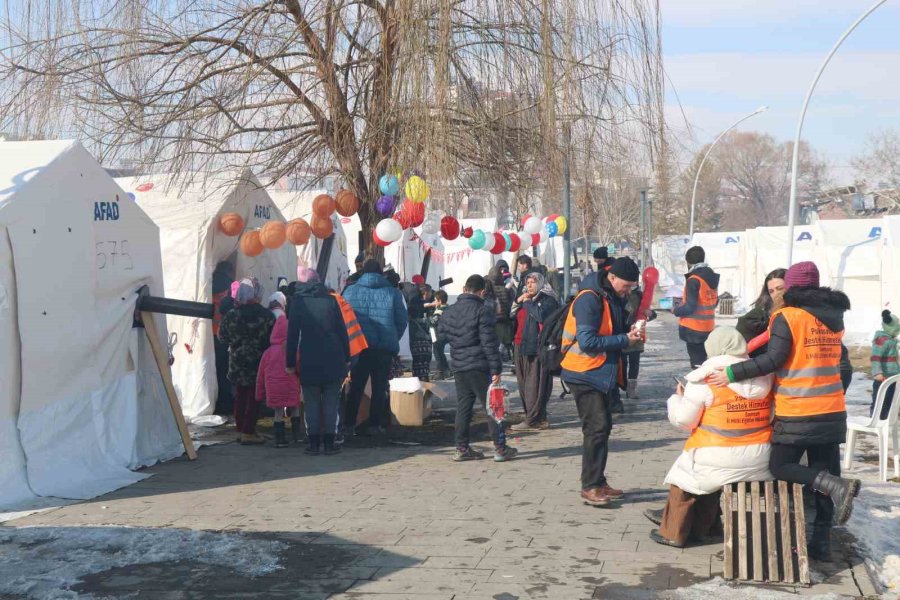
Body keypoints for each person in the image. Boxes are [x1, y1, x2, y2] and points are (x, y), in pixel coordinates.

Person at [707, 261, 861, 561]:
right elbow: (837, 362)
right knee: (822, 470)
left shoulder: (787, 317)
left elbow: (773, 360)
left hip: (799, 408)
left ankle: (836, 487)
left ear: (791, 287)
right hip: (832, 408)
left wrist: (732, 373)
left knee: (781, 466)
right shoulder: (834, 317)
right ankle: (821, 543)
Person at [646, 327, 773, 547]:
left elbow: (685, 421)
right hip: (760, 457)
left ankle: (673, 532)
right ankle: (707, 529)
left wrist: (676, 400)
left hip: (716, 453)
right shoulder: (765, 376)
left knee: (684, 478)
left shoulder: (704, 379)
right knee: (709, 473)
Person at [561, 257, 643, 507]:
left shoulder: (611, 297)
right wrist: (624, 340)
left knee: (603, 427)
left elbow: (615, 328)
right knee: (596, 428)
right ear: (612, 278)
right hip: (583, 372)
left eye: (631, 287)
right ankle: (590, 486)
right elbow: (588, 342)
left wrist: (634, 327)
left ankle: (598, 480)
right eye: (626, 286)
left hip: (598, 373)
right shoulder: (590, 299)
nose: (628, 291)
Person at [439, 274, 517, 462]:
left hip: (459, 364)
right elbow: (489, 343)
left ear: (465, 288)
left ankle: (461, 447)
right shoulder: (483, 310)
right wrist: (496, 369)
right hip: (479, 365)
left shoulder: (450, 311)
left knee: (464, 407)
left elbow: (441, 334)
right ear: (482, 291)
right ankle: (500, 448)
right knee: (492, 407)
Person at [286, 267, 350, 454]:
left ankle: (313, 444)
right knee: (331, 401)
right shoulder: (331, 301)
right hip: (333, 356)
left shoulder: (298, 303)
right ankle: (330, 443)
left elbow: (292, 336)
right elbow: (342, 331)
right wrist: (347, 357)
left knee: (311, 401)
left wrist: (289, 363)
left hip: (309, 357)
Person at [342, 260, 409, 435]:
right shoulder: (392, 293)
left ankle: (349, 424)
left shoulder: (350, 291)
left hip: (359, 347)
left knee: (356, 386)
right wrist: (392, 337)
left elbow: (344, 320)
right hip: (383, 348)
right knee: (379, 388)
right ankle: (375, 425)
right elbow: (402, 321)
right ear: (381, 273)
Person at [218, 278, 275, 445]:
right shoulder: (266, 315)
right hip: (258, 362)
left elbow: (222, 337)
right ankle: (248, 432)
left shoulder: (231, 315)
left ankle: (241, 429)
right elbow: (272, 338)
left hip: (237, 361)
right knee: (254, 397)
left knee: (240, 395)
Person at [510, 271, 559, 431]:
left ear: (540, 283)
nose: (529, 285)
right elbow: (510, 316)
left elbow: (541, 316)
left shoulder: (548, 299)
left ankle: (533, 419)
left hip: (537, 347)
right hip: (520, 345)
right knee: (524, 384)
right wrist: (518, 301)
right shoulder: (524, 299)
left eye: (532, 282)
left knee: (535, 384)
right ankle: (536, 417)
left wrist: (529, 302)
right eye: (527, 282)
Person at [256, 316, 301, 448]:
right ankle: (296, 436)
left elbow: (260, 375)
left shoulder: (268, 352)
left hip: (274, 388)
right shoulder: (293, 350)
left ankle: (279, 439)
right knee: (295, 408)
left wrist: (259, 394)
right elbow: (299, 367)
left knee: (278, 412)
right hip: (291, 386)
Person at [673, 246, 720, 368]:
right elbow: (714, 302)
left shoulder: (694, 280)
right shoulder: (711, 278)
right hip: (708, 327)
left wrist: (676, 310)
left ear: (688, 262)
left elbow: (690, 307)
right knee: (704, 363)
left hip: (693, 329)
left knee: (697, 365)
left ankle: (699, 386)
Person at [736, 269, 787, 357]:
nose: (776, 294)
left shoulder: (802, 312)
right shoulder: (759, 315)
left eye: (780, 288)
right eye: (771, 291)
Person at [623, 285, 656, 399]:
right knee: (622, 364)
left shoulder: (639, 295)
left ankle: (631, 389)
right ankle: (619, 387)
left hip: (636, 335)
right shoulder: (618, 293)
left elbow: (651, 313)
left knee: (634, 364)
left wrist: (650, 314)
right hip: (621, 334)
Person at [212, 261, 236, 416]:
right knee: (226, 372)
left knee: (215, 369)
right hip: (225, 335)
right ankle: (226, 403)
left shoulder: (210, 285)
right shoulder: (229, 288)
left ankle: (217, 400)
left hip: (212, 334)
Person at [871, 310, 900, 420]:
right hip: (882, 378)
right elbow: (875, 357)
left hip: (892, 377)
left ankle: (885, 420)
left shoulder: (891, 340)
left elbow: (894, 359)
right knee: (879, 401)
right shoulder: (881, 340)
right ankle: (875, 420)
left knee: (889, 400)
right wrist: (877, 372)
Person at [402, 280, 432, 381]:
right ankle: (423, 385)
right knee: (423, 363)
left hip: (415, 339)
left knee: (418, 364)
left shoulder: (412, 304)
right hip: (421, 338)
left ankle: (420, 384)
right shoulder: (420, 305)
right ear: (426, 292)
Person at [487, 264, 514, 362]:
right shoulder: (505, 289)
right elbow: (509, 304)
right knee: (504, 340)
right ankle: (506, 356)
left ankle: (497, 357)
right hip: (504, 319)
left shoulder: (489, 289)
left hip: (493, 319)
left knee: (494, 341)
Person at [428, 290, 451, 380]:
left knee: (437, 352)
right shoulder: (449, 308)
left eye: (435, 300)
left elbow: (432, 322)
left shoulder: (440, 311)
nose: (434, 302)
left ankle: (440, 371)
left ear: (440, 301)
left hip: (439, 334)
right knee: (441, 352)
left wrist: (427, 319)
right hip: (447, 333)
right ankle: (447, 370)